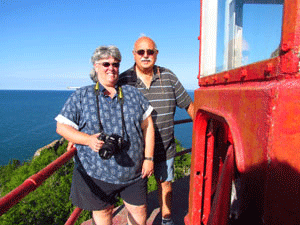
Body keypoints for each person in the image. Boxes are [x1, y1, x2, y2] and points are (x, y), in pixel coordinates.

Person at [56, 45, 155, 225]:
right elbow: (62, 128)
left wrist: (149, 158)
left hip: (133, 172)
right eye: (106, 64)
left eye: (115, 64)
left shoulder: (133, 94)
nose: (111, 68)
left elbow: (148, 126)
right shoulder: (81, 96)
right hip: (96, 172)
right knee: (103, 214)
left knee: (140, 212)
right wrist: (87, 140)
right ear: (95, 66)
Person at [118, 36, 194, 225]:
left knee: (166, 185)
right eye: (141, 52)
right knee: (136, 195)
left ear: (156, 54)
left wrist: (205, 128)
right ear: (134, 54)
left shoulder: (168, 77)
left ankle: (166, 221)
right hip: (135, 152)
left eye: (150, 52)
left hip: (165, 147)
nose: (146, 56)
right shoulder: (124, 80)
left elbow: (189, 106)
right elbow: (106, 108)